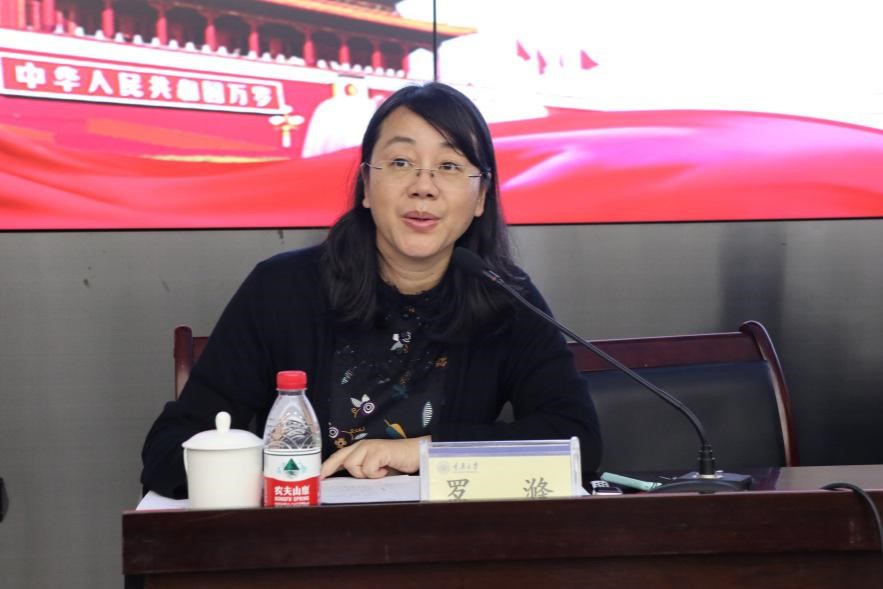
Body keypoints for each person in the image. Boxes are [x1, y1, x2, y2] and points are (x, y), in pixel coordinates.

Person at [141, 82, 601, 498]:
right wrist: (282, 477)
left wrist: (424, 451)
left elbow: (577, 443)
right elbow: (169, 452)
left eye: (448, 166)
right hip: (306, 545)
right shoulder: (282, 290)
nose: (423, 187)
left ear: (481, 197)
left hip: (448, 545)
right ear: (365, 185)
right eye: (401, 163)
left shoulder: (504, 298)